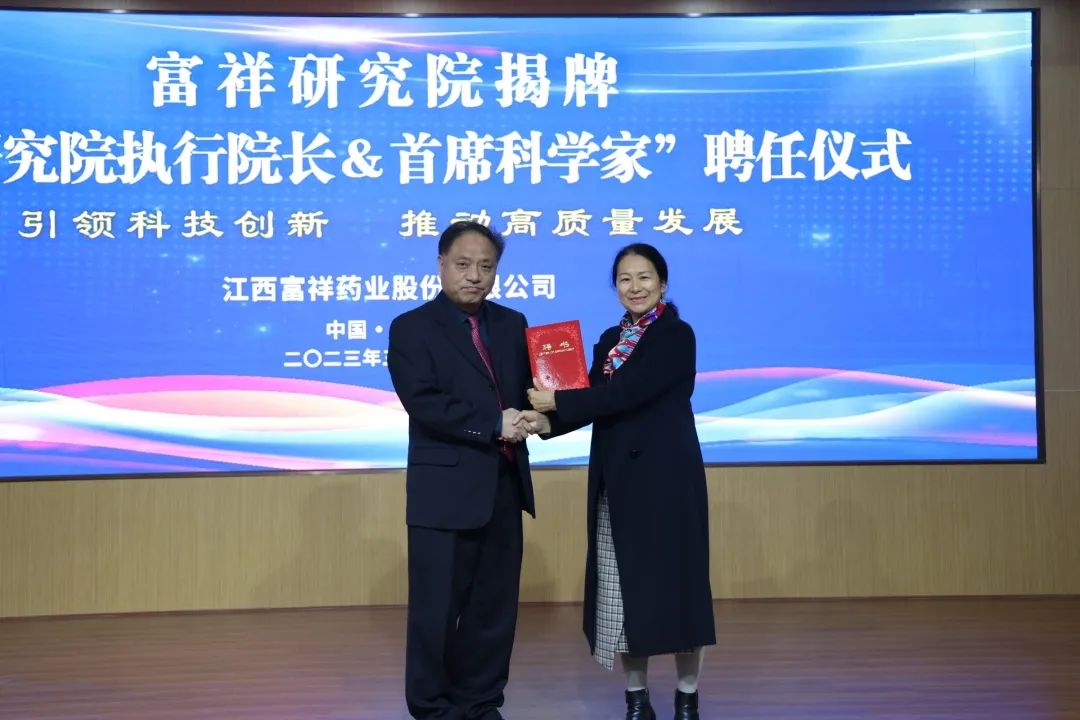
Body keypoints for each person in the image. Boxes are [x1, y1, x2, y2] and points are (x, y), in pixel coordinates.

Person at [524, 243, 715, 720]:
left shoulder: (676, 335)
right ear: (616, 287)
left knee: (679, 590)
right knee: (621, 590)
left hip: (668, 482)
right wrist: (543, 422)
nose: (635, 287)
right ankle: (637, 699)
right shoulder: (610, 339)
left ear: (662, 284)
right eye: (625, 279)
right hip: (618, 481)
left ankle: (687, 698)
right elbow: (592, 396)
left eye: (644, 277)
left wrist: (558, 403)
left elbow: (627, 393)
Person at [388, 220, 539, 720]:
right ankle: (432, 708)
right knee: (435, 611)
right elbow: (424, 402)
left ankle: (480, 702)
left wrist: (547, 411)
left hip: (502, 485)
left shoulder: (513, 324)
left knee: (493, 609)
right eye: (464, 264)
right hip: (443, 493)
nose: (475, 276)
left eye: (486, 266)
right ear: (441, 265)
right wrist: (494, 423)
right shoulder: (411, 327)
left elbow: (529, 395)